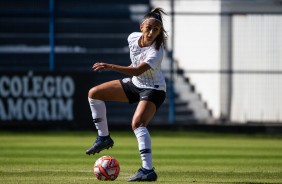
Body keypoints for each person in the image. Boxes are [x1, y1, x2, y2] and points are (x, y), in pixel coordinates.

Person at [86, 7, 168, 182]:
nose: (152, 32)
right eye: (149, 27)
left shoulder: (156, 51)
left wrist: (111, 66)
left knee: (138, 124)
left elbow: (138, 70)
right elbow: (134, 64)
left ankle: (147, 170)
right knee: (94, 93)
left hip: (153, 89)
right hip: (135, 84)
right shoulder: (132, 38)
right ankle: (103, 137)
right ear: (141, 27)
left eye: (156, 29)